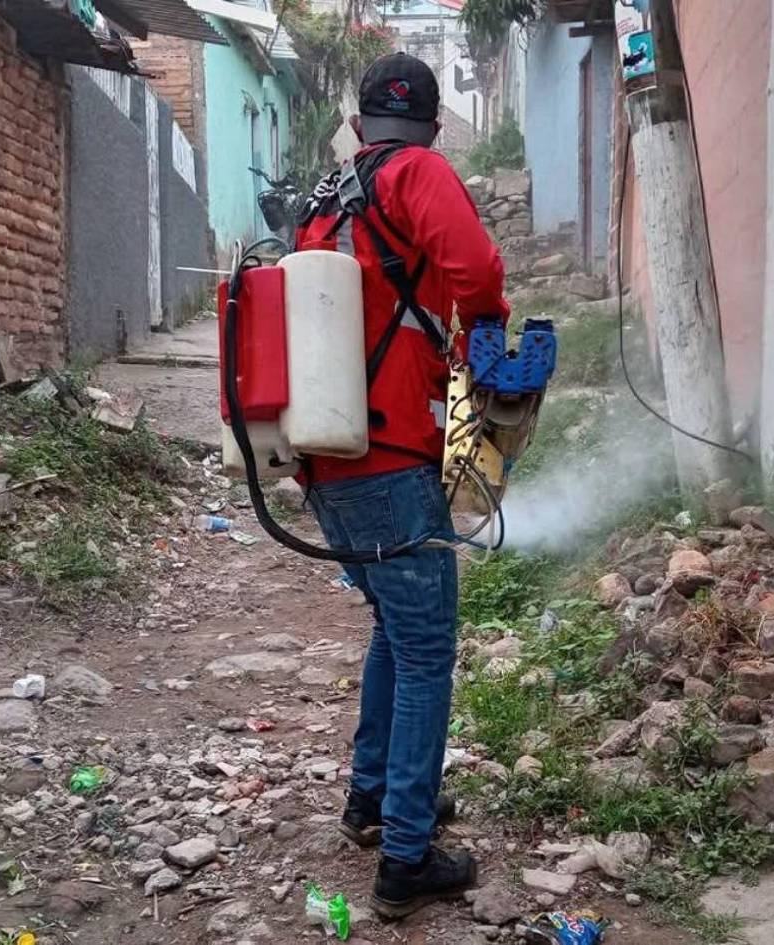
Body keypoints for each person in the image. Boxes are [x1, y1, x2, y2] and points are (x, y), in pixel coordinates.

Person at [294, 52, 509, 917]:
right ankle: (406, 857)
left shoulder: (328, 196)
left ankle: (372, 800)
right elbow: (478, 275)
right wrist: (487, 349)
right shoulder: (417, 173)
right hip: (387, 455)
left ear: (360, 124)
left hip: (322, 460)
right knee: (426, 650)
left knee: (394, 627)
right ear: (430, 126)